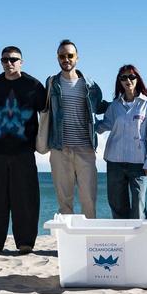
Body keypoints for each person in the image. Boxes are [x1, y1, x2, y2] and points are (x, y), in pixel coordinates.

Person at [0, 46, 47, 255]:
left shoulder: (33, 85)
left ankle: (25, 242)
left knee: (25, 199)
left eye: (13, 59)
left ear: (21, 61)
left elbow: (46, 114)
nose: (9, 63)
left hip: (24, 151)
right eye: (5, 60)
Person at [42, 40, 107, 217]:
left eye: (70, 55)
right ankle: (66, 245)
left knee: (88, 201)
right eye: (62, 56)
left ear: (77, 58)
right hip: (59, 149)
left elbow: (100, 107)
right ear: (58, 58)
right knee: (64, 203)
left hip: (85, 150)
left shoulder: (90, 85)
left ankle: (89, 244)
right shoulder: (51, 83)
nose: (66, 59)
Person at [99, 65, 147, 219]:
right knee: (117, 204)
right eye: (124, 77)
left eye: (132, 77)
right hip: (114, 161)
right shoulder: (114, 105)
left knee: (138, 205)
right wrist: (86, 121)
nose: (128, 80)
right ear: (119, 81)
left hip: (139, 163)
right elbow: (104, 125)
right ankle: (122, 241)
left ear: (137, 79)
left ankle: (140, 241)